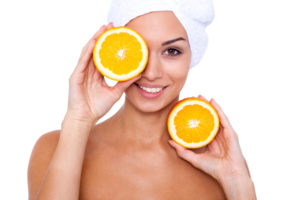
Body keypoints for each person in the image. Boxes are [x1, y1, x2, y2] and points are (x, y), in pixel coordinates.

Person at [27, 2, 256, 200]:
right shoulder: (54, 149)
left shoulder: (220, 165)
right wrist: (78, 120)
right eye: (139, 50)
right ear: (115, 52)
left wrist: (239, 185)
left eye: (172, 51)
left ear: (192, 56)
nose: (152, 72)